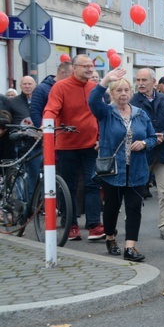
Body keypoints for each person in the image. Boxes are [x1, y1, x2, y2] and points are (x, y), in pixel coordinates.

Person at [89, 68, 157, 261]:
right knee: (111, 206)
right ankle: (110, 237)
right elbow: (93, 100)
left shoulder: (140, 114)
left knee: (134, 208)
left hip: (136, 170)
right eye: (118, 90)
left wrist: (144, 143)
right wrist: (105, 81)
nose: (123, 94)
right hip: (113, 170)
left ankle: (130, 247)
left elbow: (153, 137)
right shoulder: (106, 113)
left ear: (131, 92)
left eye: (126, 90)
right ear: (111, 93)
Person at [43, 54, 105, 241]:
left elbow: (102, 114)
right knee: (68, 186)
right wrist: (46, 124)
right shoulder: (60, 87)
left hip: (90, 145)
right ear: (74, 68)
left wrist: (101, 138)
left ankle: (94, 225)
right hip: (67, 144)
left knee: (92, 183)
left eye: (91, 66)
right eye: (85, 66)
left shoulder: (95, 88)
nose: (89, 69)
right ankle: (70, 225)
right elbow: (52, 108)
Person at [131, 68, 164, 240]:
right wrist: (149, 139)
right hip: (140, 153)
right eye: (137, 80)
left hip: (163, 152)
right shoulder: (133, 102)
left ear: (154, 82)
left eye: (144, 80)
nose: (140, 83)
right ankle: (131, 222)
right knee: (134, 191)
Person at [30, 61, 73, 127]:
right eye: (71, 75)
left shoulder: (70, 89)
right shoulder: (41, 89)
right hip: (50, 130)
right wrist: (44, 130)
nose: (73, 78)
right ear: (62, 73)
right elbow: (35, 112)